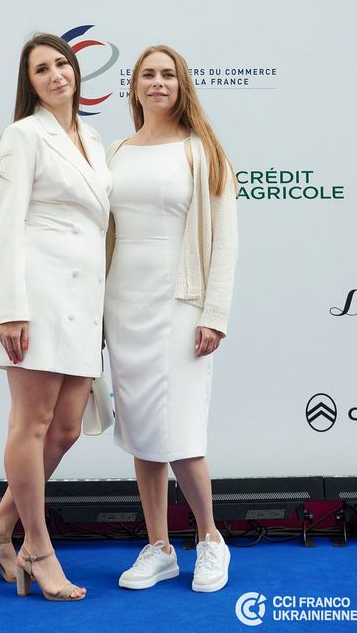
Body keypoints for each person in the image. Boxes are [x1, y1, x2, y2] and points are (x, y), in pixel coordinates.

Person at [0, 33, 110, 601]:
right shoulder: (23, 135)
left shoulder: (94, 139)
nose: (56, 76)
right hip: (37, 296)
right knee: (30, 424)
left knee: (67, 428)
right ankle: (37, 547)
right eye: (41, 69)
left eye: (62, 64)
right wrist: (11, 308)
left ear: (76, 70)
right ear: (28, 83)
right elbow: (7, 225)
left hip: (84, 300)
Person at [104, 44, 238, 593]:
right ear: (133, 86)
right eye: (148, 75)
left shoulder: (202, 151)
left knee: (181, 430)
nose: (157, 82)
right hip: (123, 302)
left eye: (168, 74)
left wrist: (214, 313)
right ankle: (159, 547)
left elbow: (225, 239)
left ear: (182, 85)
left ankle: (210, 539)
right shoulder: (114, 151)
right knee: (141, 429)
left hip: (181, 302)